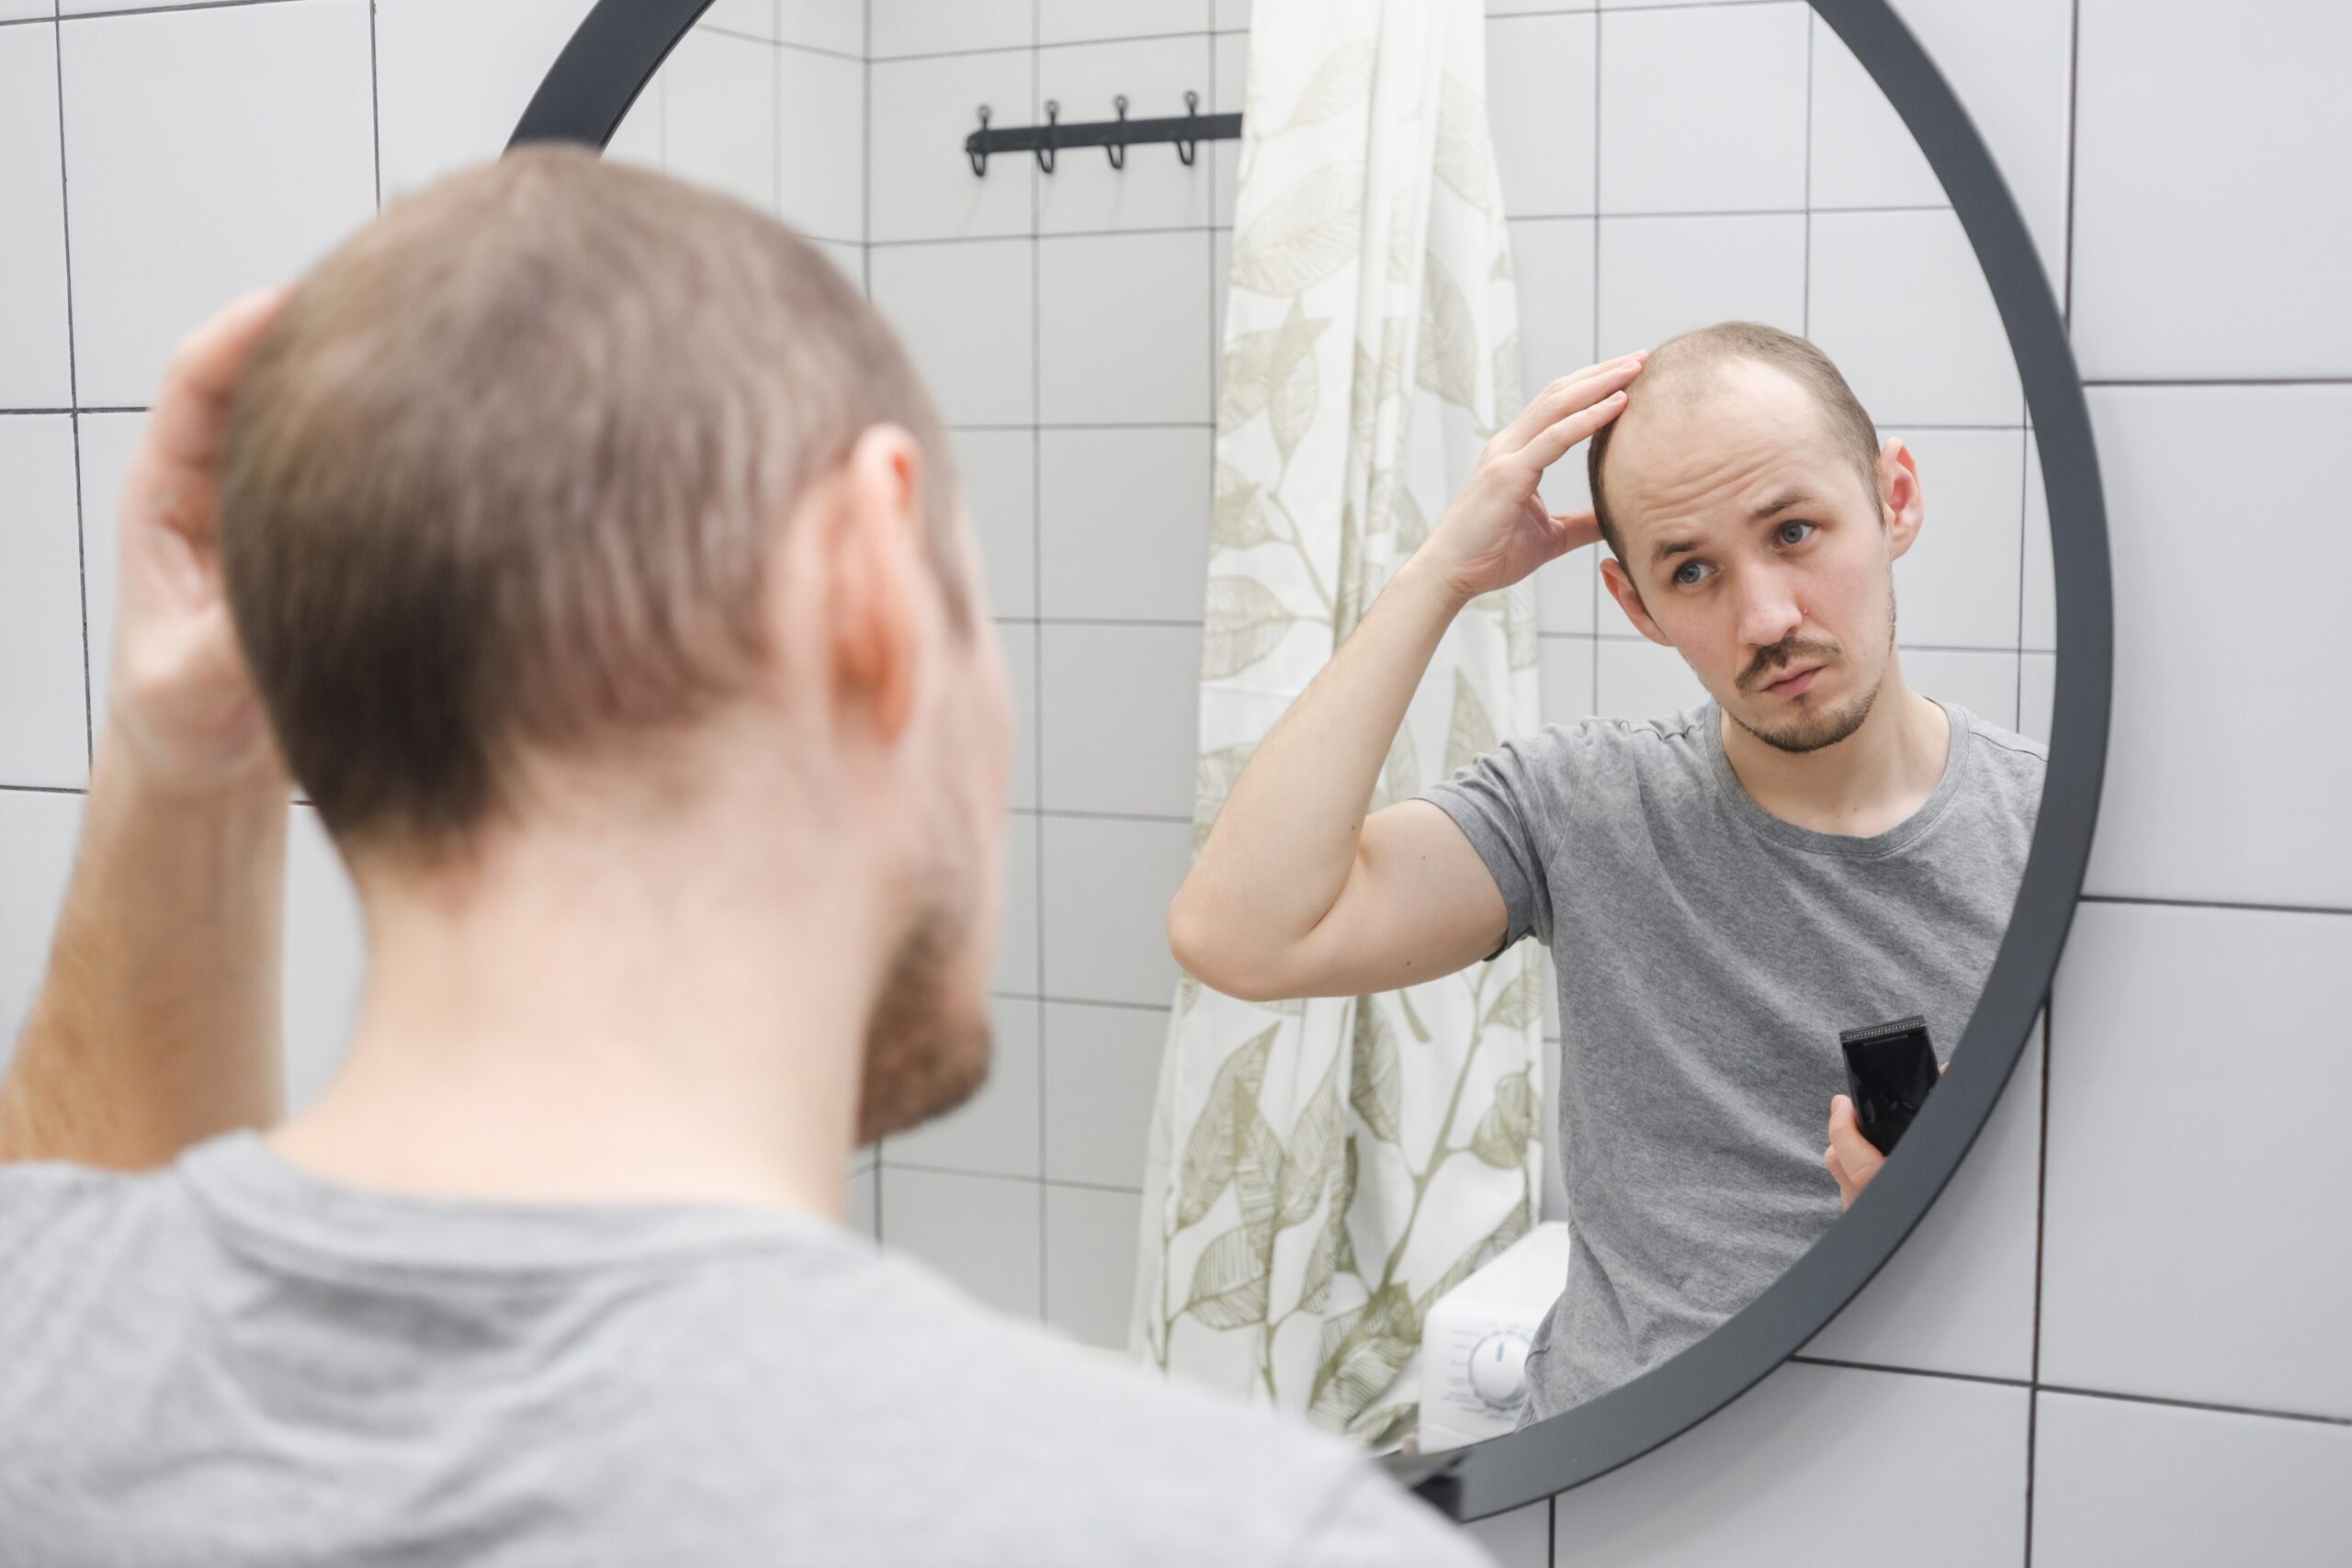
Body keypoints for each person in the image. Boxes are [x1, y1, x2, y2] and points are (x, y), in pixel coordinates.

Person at [0, 146, 1494, 1566]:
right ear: (871, 584)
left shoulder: (42, 1373)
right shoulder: (1229, 1538)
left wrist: (174, 756)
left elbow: (92, 1268)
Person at [1169, 322, 2044, 1423]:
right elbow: (1238, 933)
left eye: (1795, 530)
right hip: (1594, 1485)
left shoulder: (2051, 839)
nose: (1765, 618)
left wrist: (1956, 1240)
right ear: (1636, 605)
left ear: (1894, 500)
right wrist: (1442, 574)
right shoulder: (1578, 810)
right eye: (1692, 572)